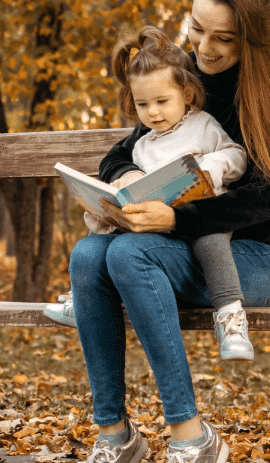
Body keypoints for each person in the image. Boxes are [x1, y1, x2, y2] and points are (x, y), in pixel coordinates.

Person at [63, 0, 270, 463]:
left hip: (255, 257)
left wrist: (177, 221)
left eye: (223, 38)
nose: (204, 47)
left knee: (129, 255)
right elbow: (125, 149)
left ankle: (191, 435)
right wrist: (121, 179)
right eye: (196, 27)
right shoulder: (182, 74)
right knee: (87, 254)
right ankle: (114, 433)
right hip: (176, 247)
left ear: (254, 39)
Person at [44, 25, 258, 361]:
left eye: (161, 101)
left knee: (212, 240)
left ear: (187, 94)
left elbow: (237, 155)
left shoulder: (202, 125)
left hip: (198, 216)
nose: (152, 113)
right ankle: (82, 300)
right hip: (156, 226)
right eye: (143, 104)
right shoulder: (142, 145)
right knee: (101, 240)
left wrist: (213, 166)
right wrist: (122, 190)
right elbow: (124, 169)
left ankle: (231, 319)